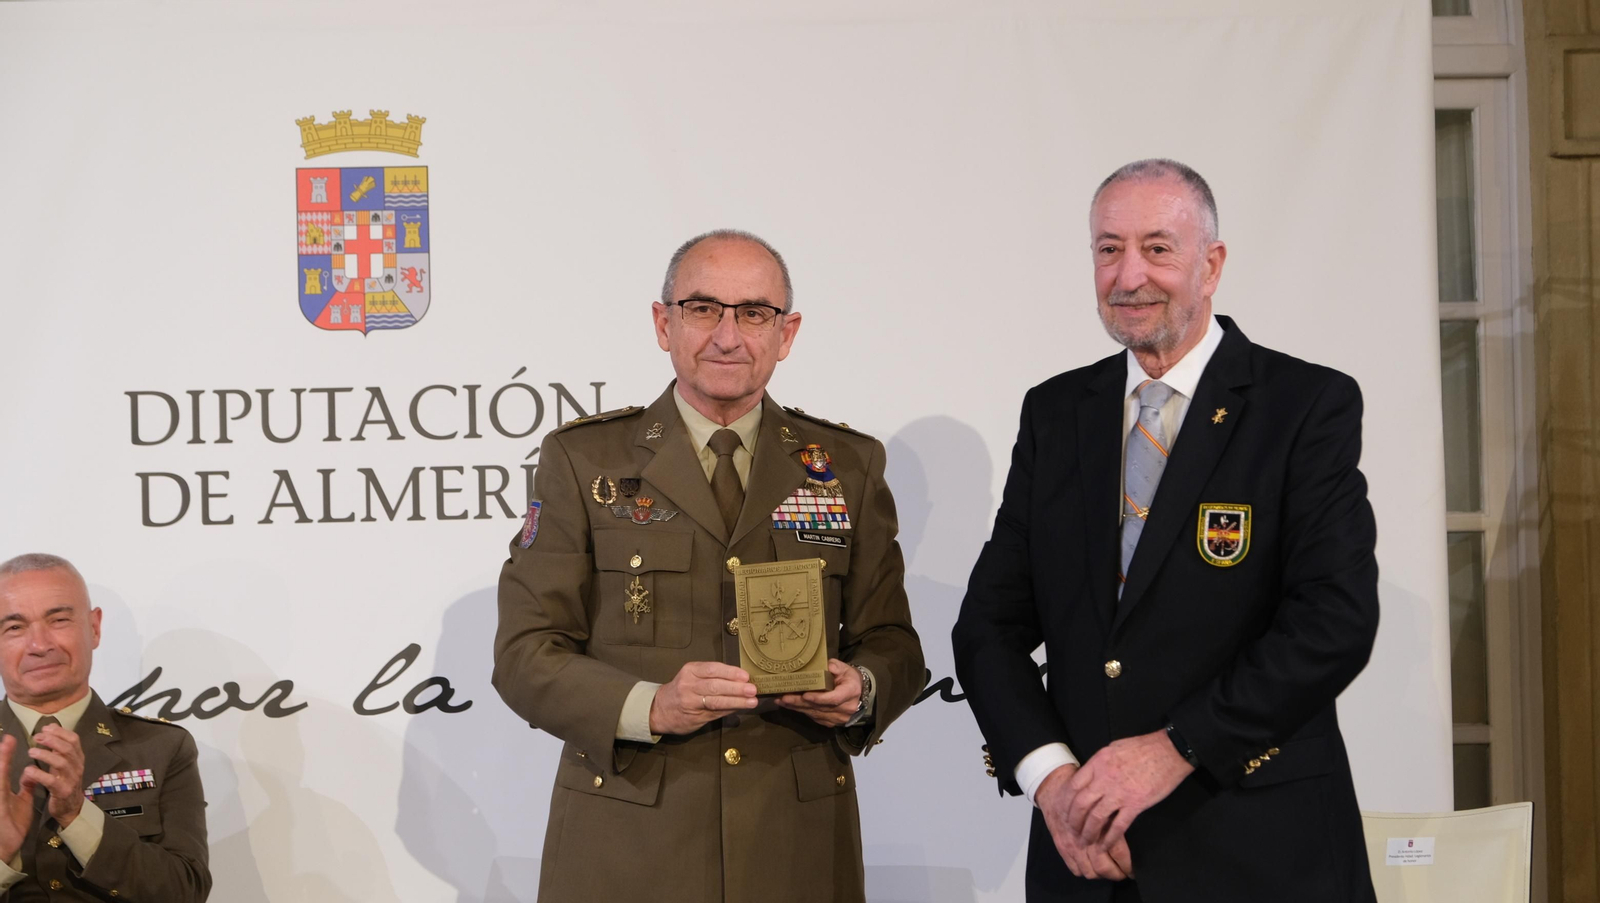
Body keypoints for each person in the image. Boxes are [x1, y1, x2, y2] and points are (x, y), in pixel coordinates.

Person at [952, 159, 1379, 902]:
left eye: (1158, 248)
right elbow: (989, 624)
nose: (1129, 275)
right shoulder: (1055, 414)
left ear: (1210, 265)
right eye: (1108, 248)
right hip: (1088, 855)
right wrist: (1053, 780)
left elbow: (1335, 622)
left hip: (1260, 852)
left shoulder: (1303, 406)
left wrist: (1179, 745)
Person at [493, 229, 924, 903]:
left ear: (788, 332)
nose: (729, 334)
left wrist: (862, 689)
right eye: (703, 308)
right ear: (663, 323)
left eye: (754, 312)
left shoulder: (846, 465)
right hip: (629, 847)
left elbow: (895, 643)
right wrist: (651, 705)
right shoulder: (584, 460)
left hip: (796, 848)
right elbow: (525, 654)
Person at [0, 553, 211, 901]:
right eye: (15, 627)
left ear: (94, 628)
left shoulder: (162, 747)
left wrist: (78, 816)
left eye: (59, 620)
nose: (40, 645)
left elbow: (184, 892)